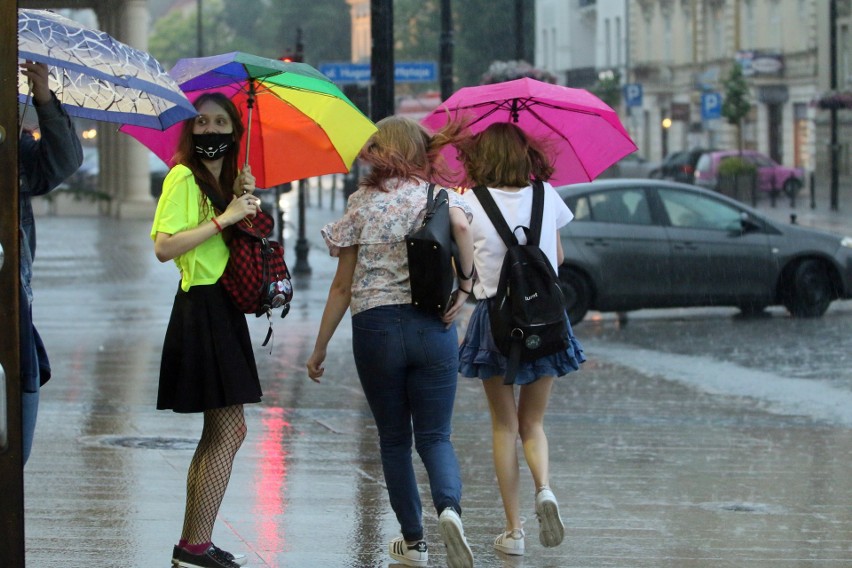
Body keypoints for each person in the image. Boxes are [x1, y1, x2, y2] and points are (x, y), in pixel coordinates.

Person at [306, 116, 475, 568]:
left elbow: (342, 286)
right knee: (436, 436)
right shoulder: (437, 198)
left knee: (394, 439)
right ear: (420, 151)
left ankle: (414, 542)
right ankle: (450, 512)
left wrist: (320, 347)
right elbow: (461, 231)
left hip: (376, 329)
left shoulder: (362, 202)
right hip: (432, 326)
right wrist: (464, 285)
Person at [455, 122, 586, 556]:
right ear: (525, 155)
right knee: (534, 423)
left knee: (503, 424)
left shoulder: (467, 202)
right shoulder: (548, 196)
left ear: (481, 159)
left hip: (496, 320)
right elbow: (559, 258)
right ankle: (544, 488)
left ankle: (514, 532)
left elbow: (465, 268)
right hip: (546, 320)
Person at [151, 92, 261, 568]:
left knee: (219, 431)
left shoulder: (228, 182)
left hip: (224, 308)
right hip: (202, 308)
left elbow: (236, 239)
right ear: (189, 131)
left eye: (220, 123)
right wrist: (225, 218)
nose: (210, 131)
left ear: (235, 131)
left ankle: (193, 543)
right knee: (229, 430)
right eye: (201, 123)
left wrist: (244, 202)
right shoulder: (181, 178)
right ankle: (193, 545)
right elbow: (164, 247)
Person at [18, 61, 84, 465]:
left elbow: (63, 160)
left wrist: (42, 95)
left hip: (11, 314)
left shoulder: (14, 150)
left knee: (12, 455)